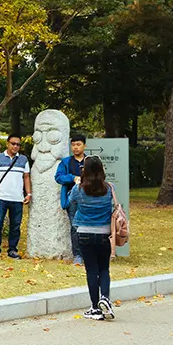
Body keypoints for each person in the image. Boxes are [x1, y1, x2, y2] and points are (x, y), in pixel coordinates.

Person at [68, 156, 116, 321]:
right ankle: (105, 298)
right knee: (104, 269)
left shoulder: (79, 189)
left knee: (91, 270)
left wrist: (77, 182)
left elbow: (70, 201)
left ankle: (95, 307)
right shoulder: (110, 188)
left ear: (85, 170)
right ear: (102, 170)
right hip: (104, 233)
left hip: (84, 232)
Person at [0, 134, 32, 259]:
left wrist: (28, 193)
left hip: (17, 198)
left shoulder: (23, 160)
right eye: (13, 143)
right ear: (7, 143)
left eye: (18, 144)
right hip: (0, 197)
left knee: (15, 226)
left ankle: (12, 250)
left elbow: (26, 177)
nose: (15, 146)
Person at [55, 133, 88, 265]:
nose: (75, 147)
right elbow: (58, 177)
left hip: (89, 199)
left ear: (84, 146)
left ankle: (89, 254)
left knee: (90, 226)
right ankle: (78, 255)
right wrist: (72, 178)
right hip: (72, 199)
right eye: (73, 145)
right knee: (75, 226)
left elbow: (99, 176)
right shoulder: (66, 162)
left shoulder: (90, 161)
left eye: (78, 144)